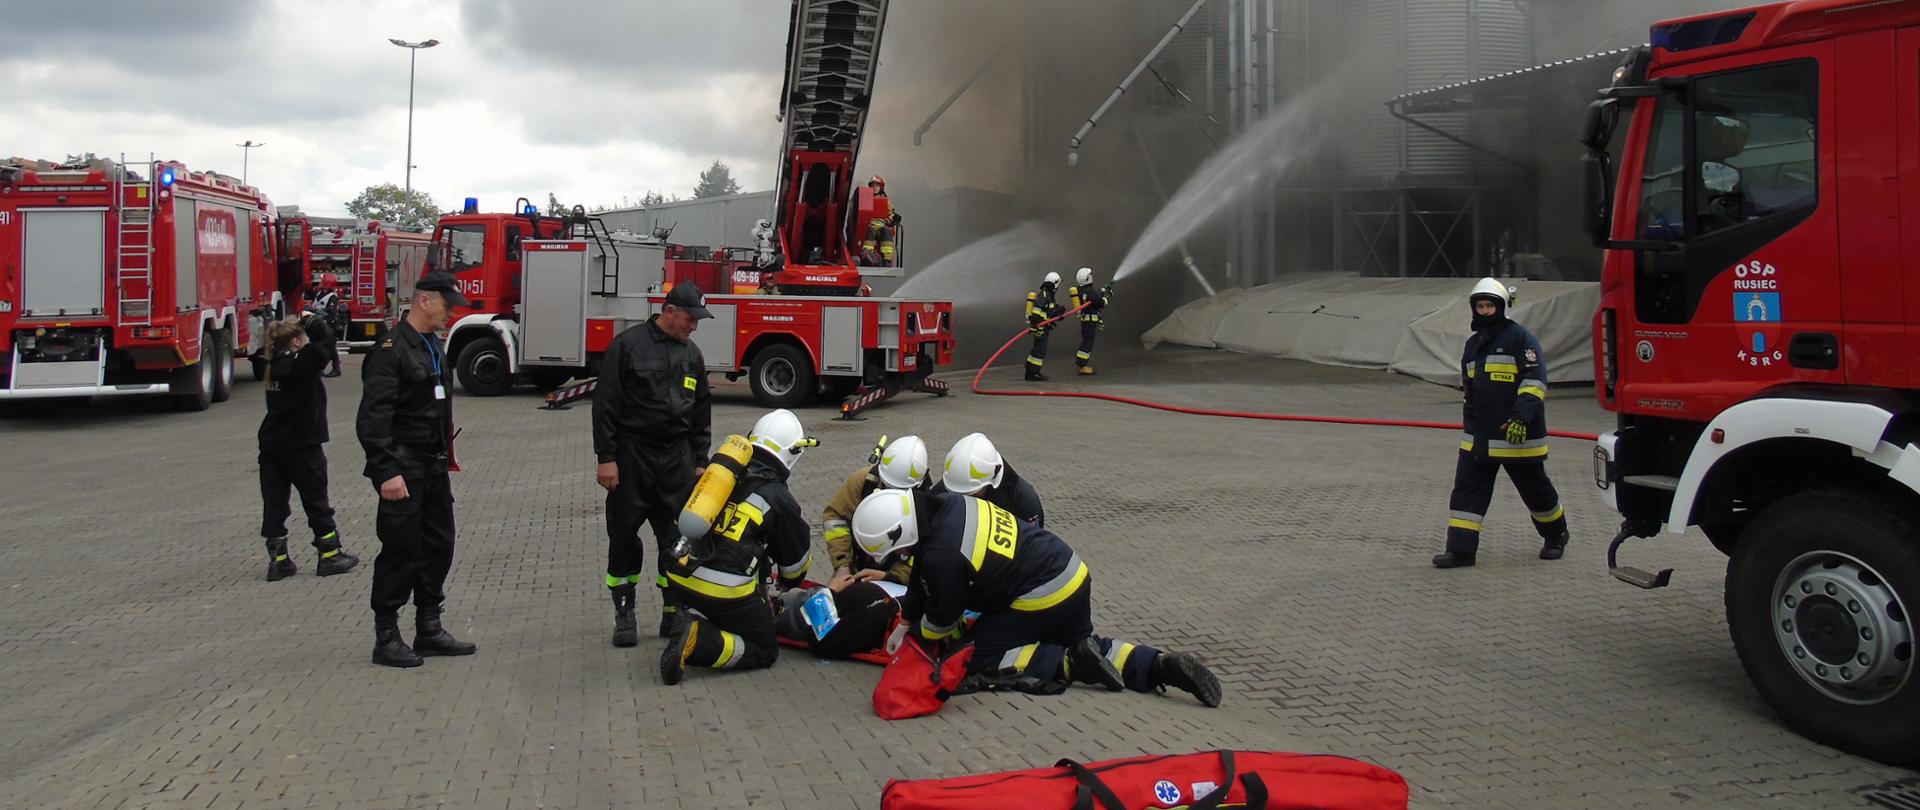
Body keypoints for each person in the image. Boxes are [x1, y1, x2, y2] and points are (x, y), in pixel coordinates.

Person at [852, 489, 1222, 706]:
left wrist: (915, 639)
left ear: (901, 535)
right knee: (1088, 644)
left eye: (894, 551)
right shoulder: (946, 505)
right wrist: (904, 617)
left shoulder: (943, 554)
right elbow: (921, 577)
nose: (897, 558)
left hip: (1041, 593)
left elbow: (943, 616)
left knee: (978, 656)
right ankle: (1156, 665)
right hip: (1071, 574)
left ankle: (1069, 664)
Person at [357, 271, 478, 668]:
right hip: (402, 467)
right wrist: (385, 471)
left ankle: (429, 627)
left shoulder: (431, 345)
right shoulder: (392, 349)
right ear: (425, 300)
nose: (450, 313)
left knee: (439, 545)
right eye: (447, 305)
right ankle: (386, 636)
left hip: (433, 466)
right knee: (400, 550)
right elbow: (374, 417)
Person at [593, 282, 714, 647]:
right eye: (690, 318)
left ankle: (673, 611)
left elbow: (701, 410)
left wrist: (699, 460)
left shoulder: (691, 354)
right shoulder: (627, 346)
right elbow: (606, 405)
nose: (694, 326)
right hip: (632, 457)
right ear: (670, 311)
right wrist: (606, 458)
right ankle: (625, 613)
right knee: (624, 537)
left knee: (677, 539)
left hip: (676, 460)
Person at [660, 409, 815, 685]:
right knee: (765, 649)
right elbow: (794, 563)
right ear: (794, 454)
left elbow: (677, 513)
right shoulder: (778, 497)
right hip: (723, 593)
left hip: (677, 575)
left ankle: (687, 616)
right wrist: (787, 585)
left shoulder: (716, 476)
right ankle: (698, 638)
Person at [1432, 278, 1570, 569]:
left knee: (1536, 492)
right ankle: (1461, 551)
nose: (1484, 311)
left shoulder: (1521, 339)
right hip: (1478, 437)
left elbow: (1534, 382)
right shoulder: (1472, 345)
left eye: (1489, 305)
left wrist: (1520, 418)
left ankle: (1556, 535)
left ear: (1502, 307)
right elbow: (1470, 390)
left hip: (1516, 435)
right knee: (1467, 493)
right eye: (1479, 306)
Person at [256, 313, 359, 581]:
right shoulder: (299, 365)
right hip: (302, 445)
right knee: (316, 501)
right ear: (296, 341)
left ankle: (278, 562)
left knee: (275, 504)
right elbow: (325, 345)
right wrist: (314, 322)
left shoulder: (275, 366)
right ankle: (329, 554)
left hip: (272, 446)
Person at [822, 434, 932, 586]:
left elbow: (923, 551)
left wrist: (892, 577)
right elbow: (834, 517)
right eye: (887, 486)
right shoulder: (863, 482)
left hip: (896, 575)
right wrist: (842, 565)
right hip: (856, 564)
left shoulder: (927, 504)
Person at [938, 432, 1044, 527]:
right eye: (957, 495)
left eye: (972, 495)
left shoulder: (1024, 501)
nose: (965, 500)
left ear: (991, 482)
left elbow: (1033, 545)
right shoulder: (956, 482)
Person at [1067, 267, 1113, 376]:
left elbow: (1092, 298)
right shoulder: (1089, 291)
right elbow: (1100, 303)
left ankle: (1081, 361)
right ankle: (1082, 365)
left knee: (1086, 340)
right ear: (1088, 278)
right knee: (1088, 342)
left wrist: (1101, 292)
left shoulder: (1081, 290)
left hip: (1085, 321)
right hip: (1091, 321)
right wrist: (1108, 296)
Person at [1024, 272, 1065, 382]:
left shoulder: (1049, 296)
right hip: (1040, 328)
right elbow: (1037, 310)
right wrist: (1034, 324)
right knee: (1040, 350)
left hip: (1043, 327)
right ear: (1055, 284)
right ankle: (1034, 373)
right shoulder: (1044, 295)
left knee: (1037, 349)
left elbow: (1049, 311)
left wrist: (1058, 313)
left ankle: (1029, 370)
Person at [860, 175, 901, 267]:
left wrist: (894, 218)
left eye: (876, 186)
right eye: (872, 186)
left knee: (886, 231)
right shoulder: (865, 201)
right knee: (869, 231)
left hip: (882, 226)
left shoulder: (887, 202)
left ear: (881, 187)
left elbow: (891, 214)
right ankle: (867, 256)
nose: (874, 188)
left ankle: (887, 260)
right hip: (869, 226)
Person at [312, 282, 344, 377]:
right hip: (319, 324)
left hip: (329, 324)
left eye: (322, 281)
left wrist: (321, 314)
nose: (319, 283)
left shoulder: (332, 297)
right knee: (321, 346)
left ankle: (334, 368)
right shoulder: (319, 294)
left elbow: (331, 311)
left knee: (329, 348)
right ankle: (325, 369)